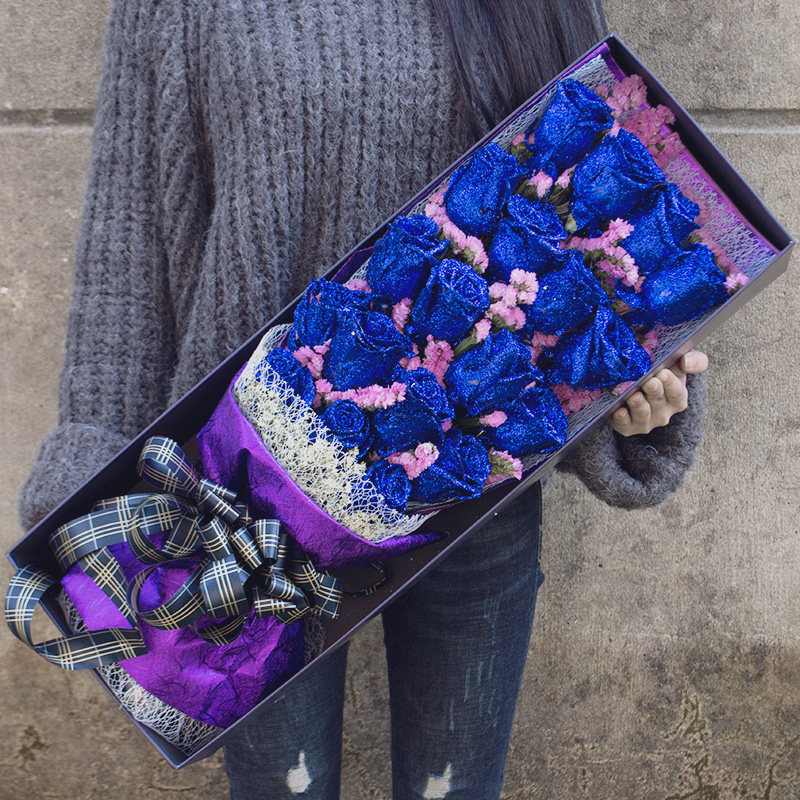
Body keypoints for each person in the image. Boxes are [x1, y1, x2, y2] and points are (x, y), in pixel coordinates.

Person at [18, 1, 709, 797]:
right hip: (241, 511)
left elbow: (604, 193)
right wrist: (90, 480)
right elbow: (131, 237)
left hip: (471, 497)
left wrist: (641, 397)